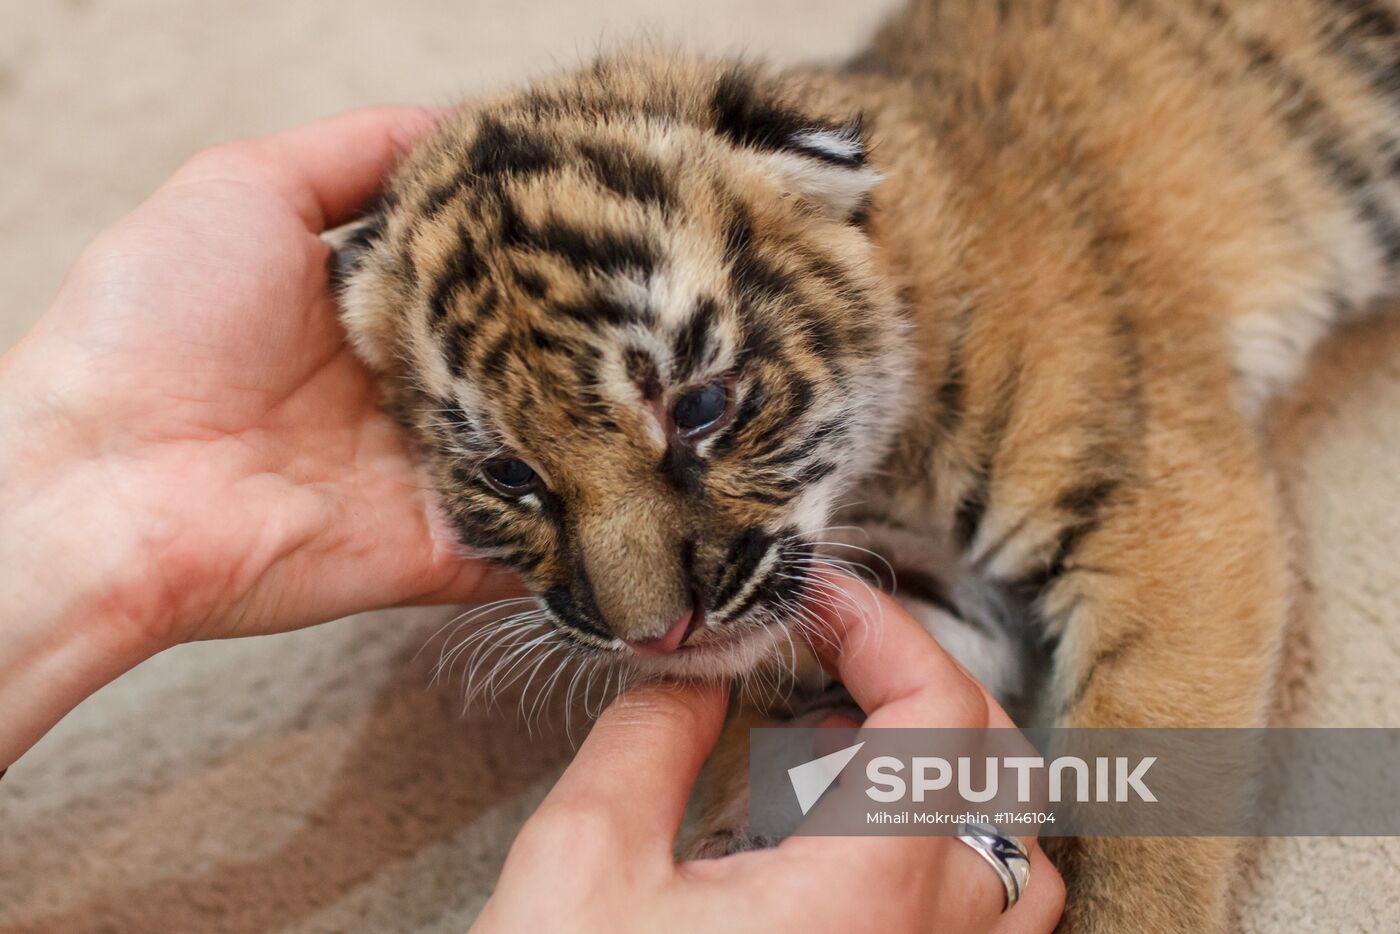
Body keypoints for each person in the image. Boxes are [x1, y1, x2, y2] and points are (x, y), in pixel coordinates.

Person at [0, 107, 1063, 932]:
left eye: (695, 409)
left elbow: (1191, 597)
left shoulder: (1011, 306)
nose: (645, 611)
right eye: (513, 474)